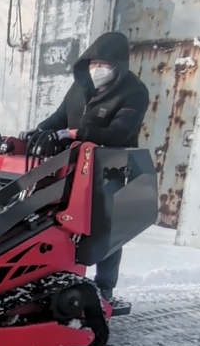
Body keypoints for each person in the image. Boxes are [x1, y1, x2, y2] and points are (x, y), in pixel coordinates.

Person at [19, 31, 150, 304]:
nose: (97, 69)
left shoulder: (135, 92)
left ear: (118, 66)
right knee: (58, 221)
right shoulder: (80, 87)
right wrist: (40, 131)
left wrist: (75, 134)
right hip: (71, 168)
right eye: (93, 63)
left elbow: (118, 134)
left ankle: (104, 290)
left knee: (106, 231)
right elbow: (59, 116)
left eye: (103, 65)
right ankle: (58, 279)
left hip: (111, 171)